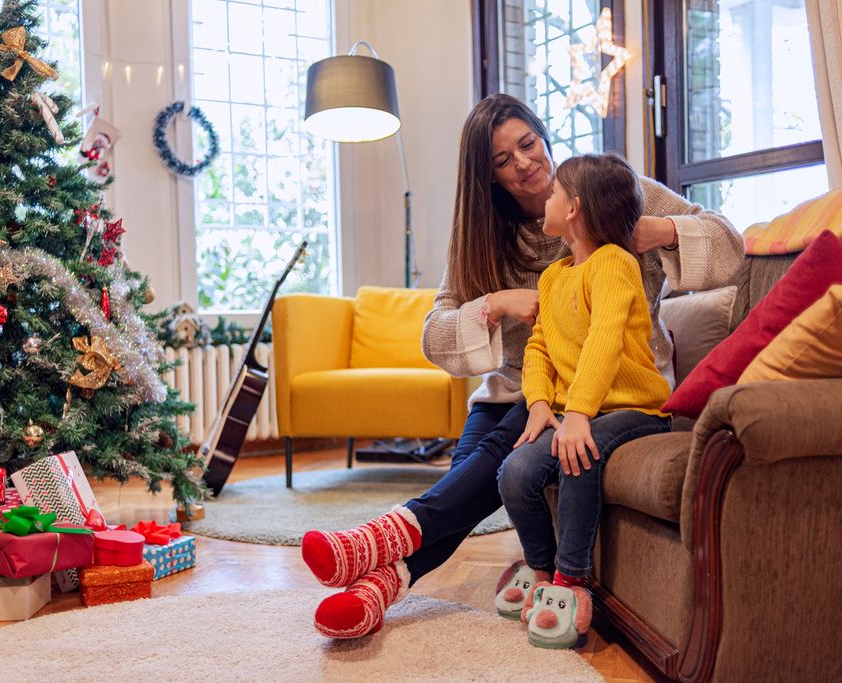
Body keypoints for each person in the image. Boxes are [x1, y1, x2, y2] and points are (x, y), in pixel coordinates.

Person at [300, 93, 743, 639]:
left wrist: (658, 230)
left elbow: (729, 246)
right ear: (487, 178)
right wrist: (495, 304)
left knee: (491, 460)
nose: (524, 164)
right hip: (512, 393)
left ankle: (379, 548)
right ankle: (379, 585)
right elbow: (434, 338)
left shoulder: (610, 192)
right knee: (471, 477)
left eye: (527, 144)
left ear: (544, 136)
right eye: (503, 161)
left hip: (597, 392)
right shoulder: (483, 235)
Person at [495, 153, 671, 649]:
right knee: (515, 473)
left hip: (636, 409)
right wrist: (536, 403)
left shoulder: (616, 263)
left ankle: (572, 582)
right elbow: (539, 347)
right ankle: (543, 569)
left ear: (572, 208)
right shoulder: (552, 278)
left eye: (553, 193)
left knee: (579, 454)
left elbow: (605, 338)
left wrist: (578, 415)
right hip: (578, 410)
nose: (544, 199)